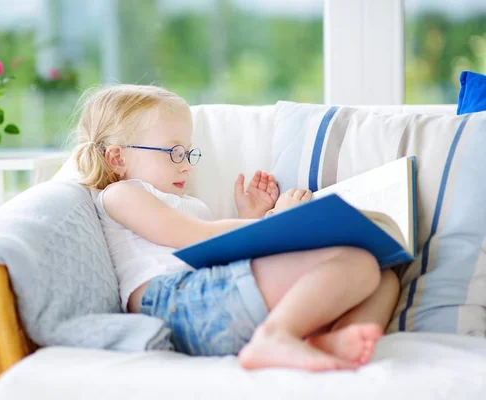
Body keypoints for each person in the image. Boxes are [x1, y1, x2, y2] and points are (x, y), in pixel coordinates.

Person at [74, 84, 400, 371]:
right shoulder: (122, 194)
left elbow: (214, 253)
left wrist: (251, 216)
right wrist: (279, 223)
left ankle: (333, 339)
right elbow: (192, 238)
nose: (186, 164)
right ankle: (275, 337)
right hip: (177, 303)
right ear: (117, 158)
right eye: (174, 152)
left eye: (188, 152)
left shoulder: (186, 203)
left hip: (209, 295)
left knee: (382, 274)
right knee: (355, 263)